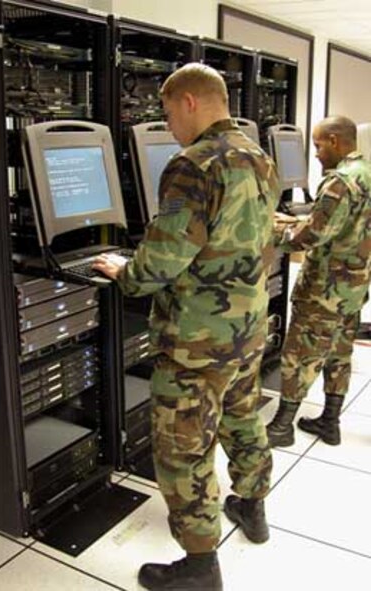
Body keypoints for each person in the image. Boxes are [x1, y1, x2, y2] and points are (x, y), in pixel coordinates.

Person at [93, 63, 280, 590]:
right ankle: (252, 507)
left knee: (183, 448)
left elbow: (160, 263)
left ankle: (200, 566)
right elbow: (261, 243)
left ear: (191, 102)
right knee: (243, 419)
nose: (167, 122)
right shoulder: (258, 156)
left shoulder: (192, 164)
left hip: (196, 343)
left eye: (168, 110)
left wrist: (123, 272)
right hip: (246, 328)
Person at [267, 115, 371, 449]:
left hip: (324, 289)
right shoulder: (366, 173)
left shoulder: (340, 181)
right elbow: (345, 225)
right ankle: (330, 422)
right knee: (339, 353)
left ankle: (282, 426)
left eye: (318, 144)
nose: (315, 153)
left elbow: (310, 237)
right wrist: (299, 220)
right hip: (353, 286)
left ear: (336, 141)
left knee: (299, 354)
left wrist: (275, 231)